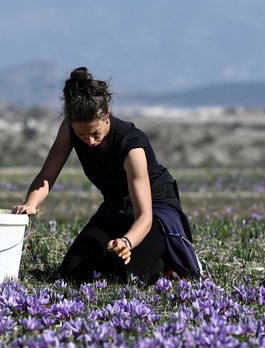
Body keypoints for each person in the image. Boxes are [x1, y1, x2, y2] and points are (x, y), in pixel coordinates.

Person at [13, 66, 199, 284]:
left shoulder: (132, 148)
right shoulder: (70, 129)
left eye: (95, 133)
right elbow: (47, 174)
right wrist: (31, 203)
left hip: (154, 212)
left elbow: (144, 216)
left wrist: (127, 242)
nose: (90, 141)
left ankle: (166, 259)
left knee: (123, 276)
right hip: (116, 208)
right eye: (82, 134)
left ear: (107, 114)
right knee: (73, 273)